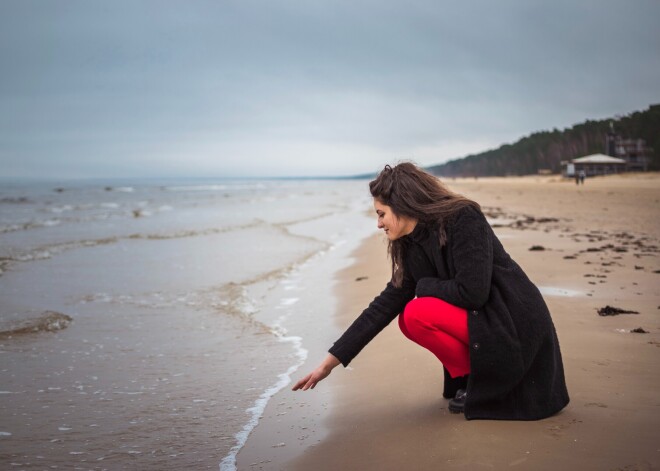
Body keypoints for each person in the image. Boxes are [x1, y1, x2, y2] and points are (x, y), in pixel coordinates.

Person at [292, 162, 569, 420]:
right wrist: (329, 363)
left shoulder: (463, 218)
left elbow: (474, 293)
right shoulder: (410, 243)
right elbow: (384, 305)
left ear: (401, 204)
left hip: (513, 321)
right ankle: (474, 380)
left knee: (416, 312)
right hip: (486, 320)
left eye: (381, 214)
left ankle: (486, 382)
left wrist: (424, 286)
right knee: (407, 319)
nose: (378, 224)